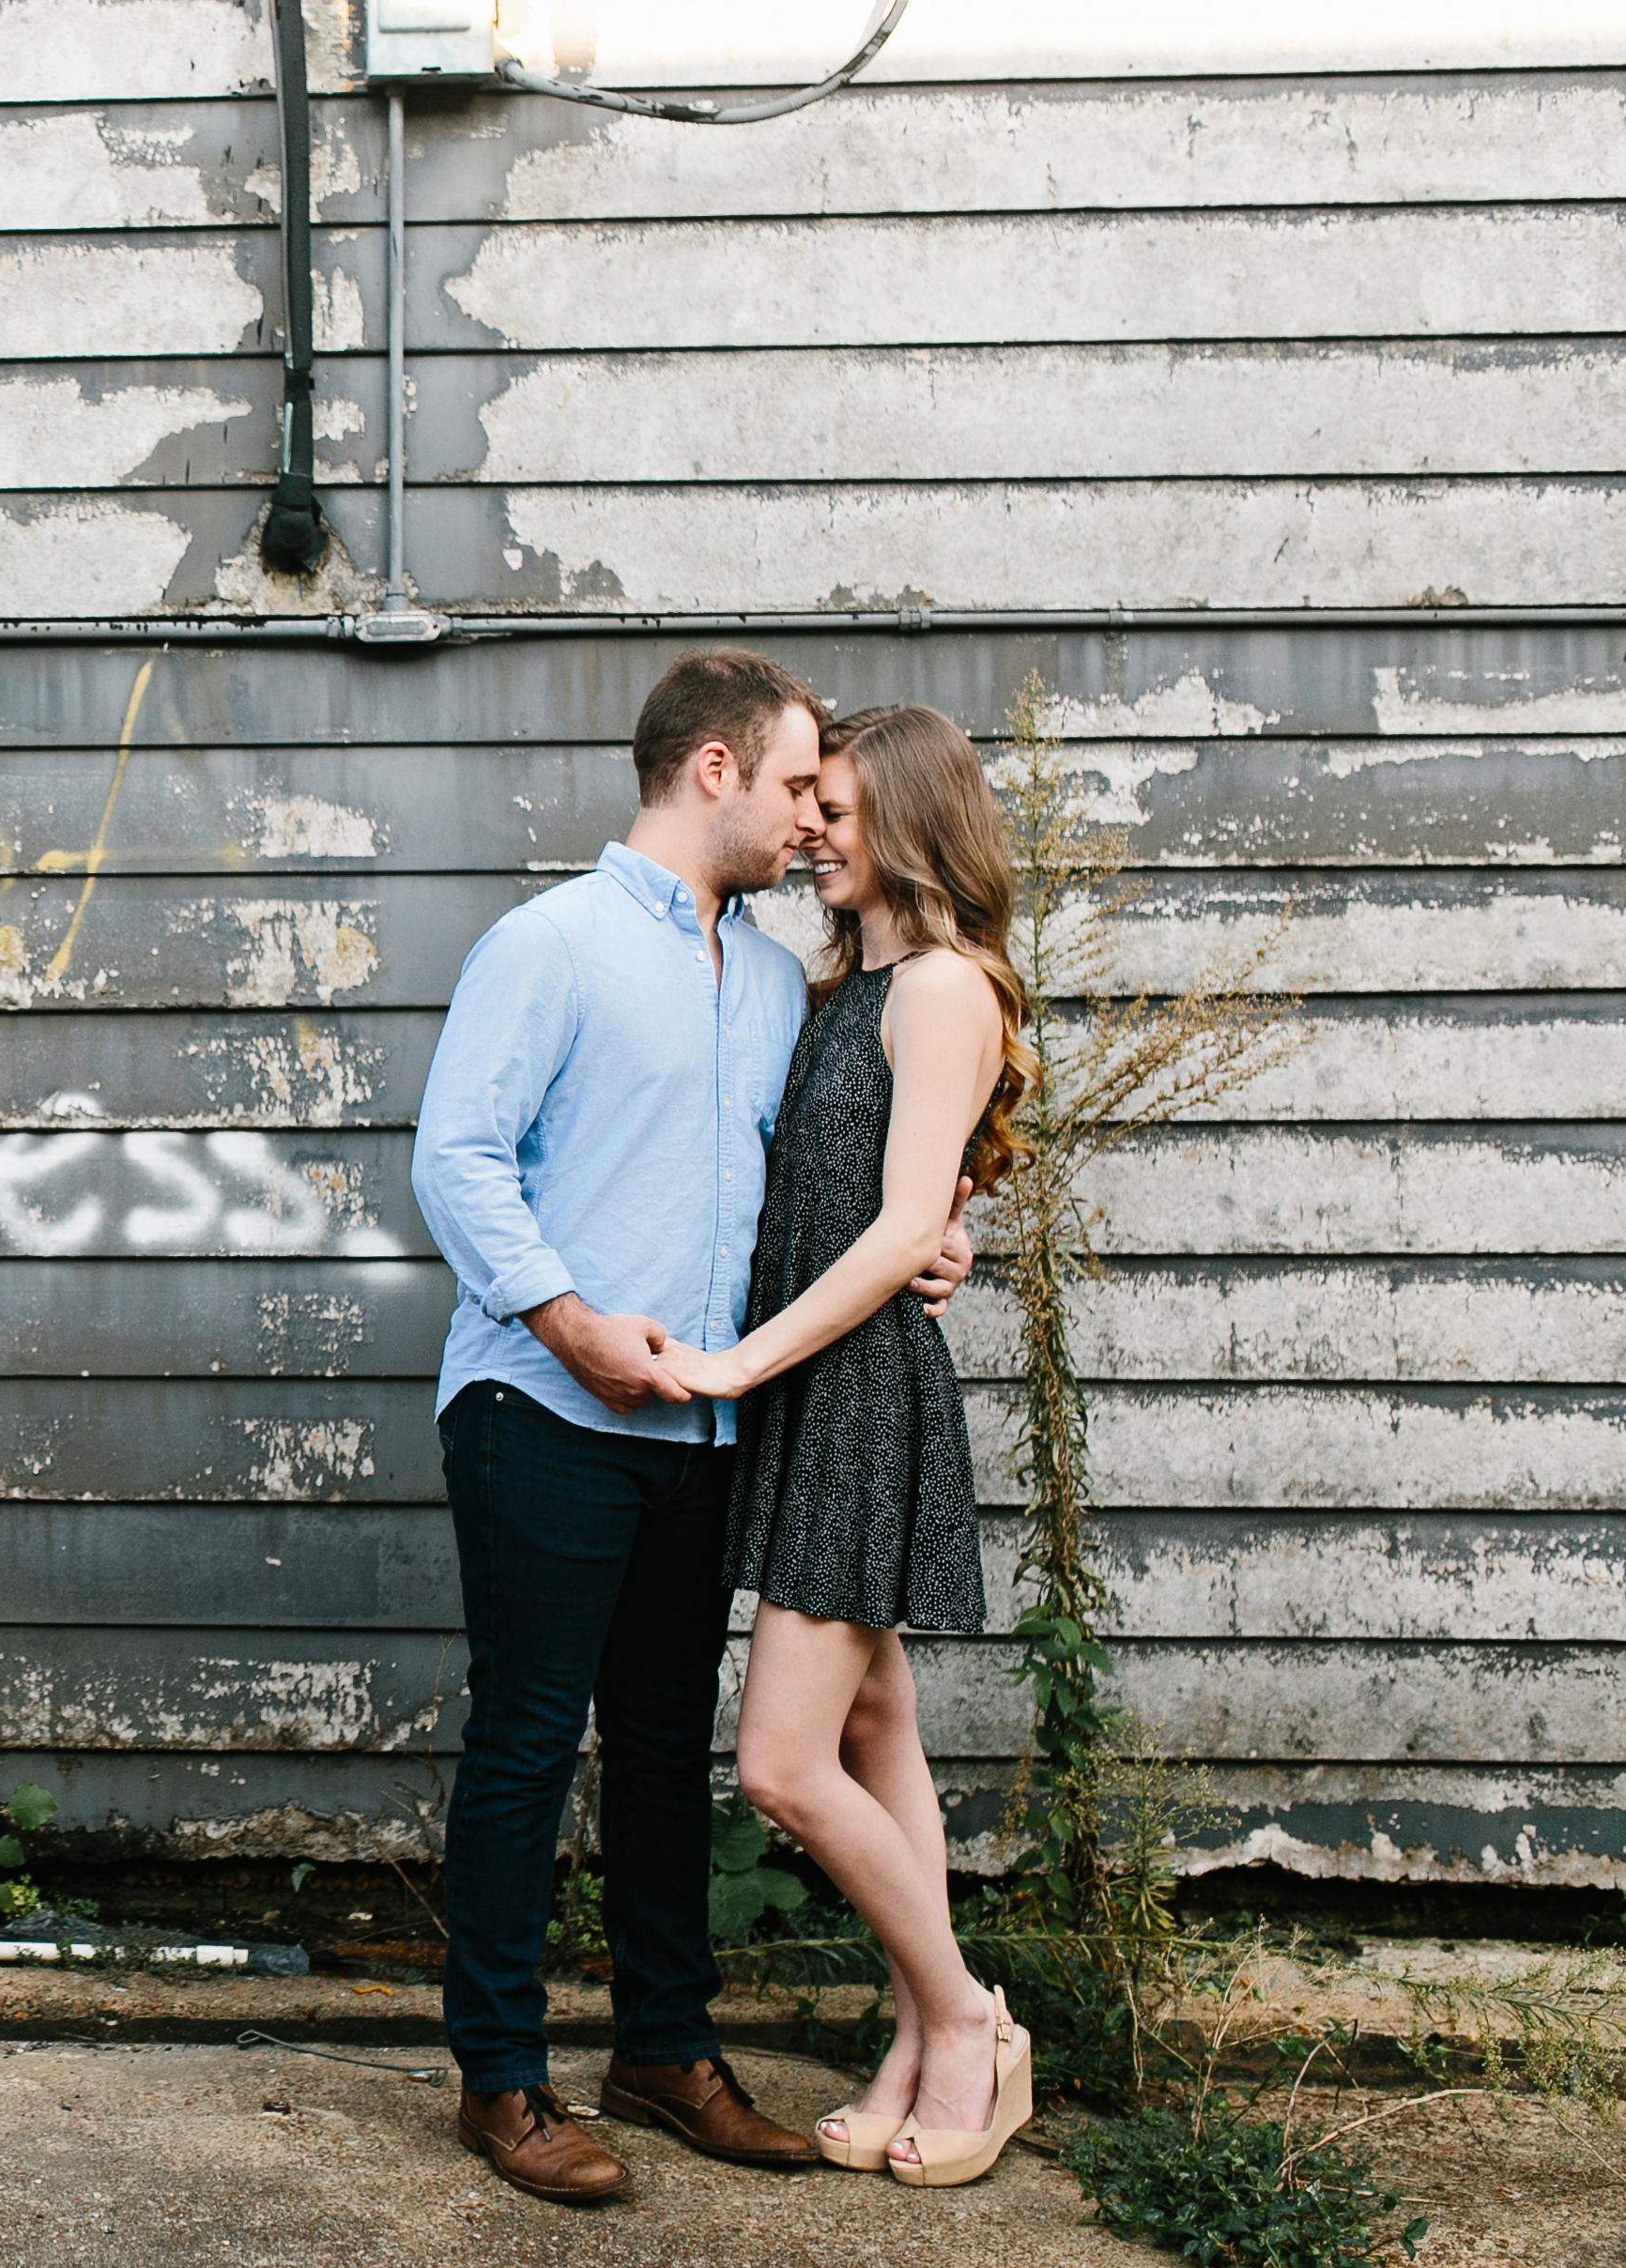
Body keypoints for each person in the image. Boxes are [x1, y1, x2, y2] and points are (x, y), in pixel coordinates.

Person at [407, 651, 974, 2205]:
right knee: (529, 1740)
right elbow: (457, 1159)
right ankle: (504, 2080)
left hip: (709, 1432)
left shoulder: (785, 985)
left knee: (666, 1750)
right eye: (797, 785)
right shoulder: (555, 946)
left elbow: (840, 1182)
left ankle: (663, 2049)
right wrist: (568, 1323)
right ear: (712, 771)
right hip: (543, 1405)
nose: (812, 820)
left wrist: (941, 1233)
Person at [652, 704, 1039, 2186]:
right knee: (880, 1735)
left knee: (782, 1765)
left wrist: (744, 1359)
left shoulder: (939, 988)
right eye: (807, 802)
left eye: (842, 809)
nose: (811, 828)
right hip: (811, 1388)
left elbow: (894, 1228)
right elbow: (904, 1203)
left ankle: (967, 2020)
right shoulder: (840, 987)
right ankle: (912, 2040)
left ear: (915, 826)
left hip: (852, 1394)